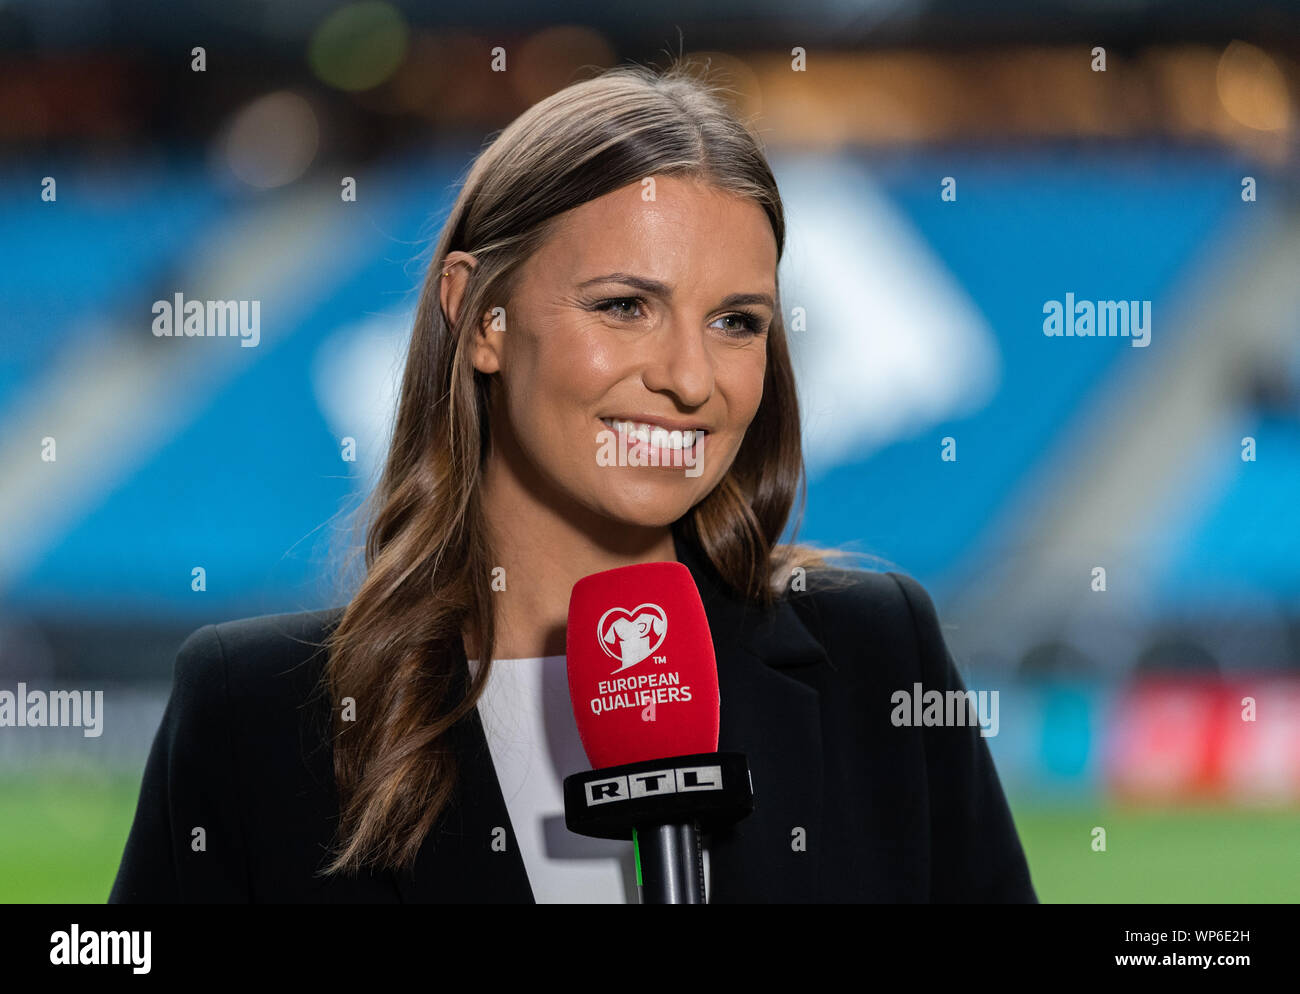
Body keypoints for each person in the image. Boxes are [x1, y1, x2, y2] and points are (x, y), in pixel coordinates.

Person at [109, 61, 1037, 903]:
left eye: (737, 322)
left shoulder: (877, 656)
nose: (689, 378)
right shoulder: (254, 713)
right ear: (480, 318)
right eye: (625, 306)